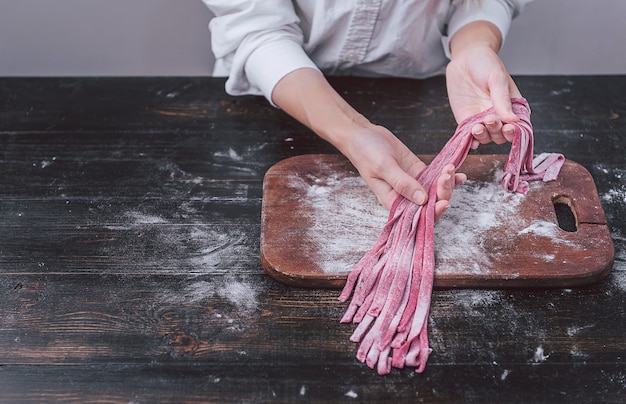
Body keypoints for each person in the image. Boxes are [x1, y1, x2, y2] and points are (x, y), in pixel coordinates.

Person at [201, 0, 533, 216]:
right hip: (277, 94)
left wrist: (473, 46)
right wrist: (352, 131)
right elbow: (258, 30)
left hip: (425, 94)